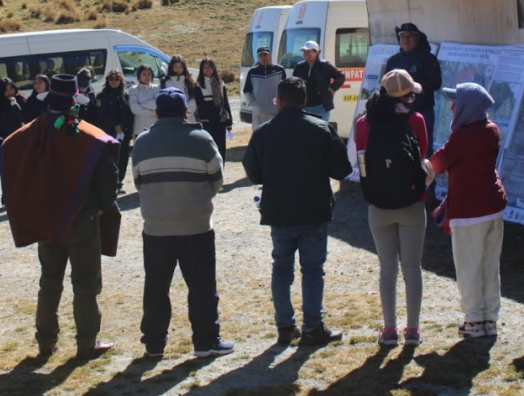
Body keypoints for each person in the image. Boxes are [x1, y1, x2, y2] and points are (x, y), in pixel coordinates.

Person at [2, 74, 120, 360]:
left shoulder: (29, 133)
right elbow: (109, 175)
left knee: (50, 281)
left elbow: (8, 151)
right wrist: (103, 205)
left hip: (46, 219)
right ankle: (87, 342)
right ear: (73, 102)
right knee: (85, 282)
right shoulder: (87, 134)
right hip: (82, 218)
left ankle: (46, 342)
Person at [243, 77, 348, 346]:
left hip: (279, 209)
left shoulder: (264, 132)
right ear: (304, 101)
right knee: (312, 270)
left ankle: (285, 326)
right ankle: (313, 326)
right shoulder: (321, 128)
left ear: (278, 100)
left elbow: (252, 171)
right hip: (313, 209)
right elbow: (342, 169)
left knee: (281, 269)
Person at [132, 88, 232, 358]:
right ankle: (205, 341)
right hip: (196, 227)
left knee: (156, 287)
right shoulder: (202, 139)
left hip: (156, 228)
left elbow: (138, 182)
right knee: (201, 287)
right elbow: (218, 180)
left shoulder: (141, 142)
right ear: (186, 112)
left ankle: (154, 344)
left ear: (156, 112)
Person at [353, 69, 429, 347]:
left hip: (378, 204)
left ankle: (388, 329)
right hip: (411, 202)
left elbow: (361, 159)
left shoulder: (364, 123)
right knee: (412, 268)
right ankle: (413, 330)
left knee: (387, 268)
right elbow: (422, 155)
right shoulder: (416, 120)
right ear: (407, 96)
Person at [428, 84, 507, 338]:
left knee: (468, 266)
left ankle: (473, 319)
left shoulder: (463, 137)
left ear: (466, 108)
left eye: (456, 103)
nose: (452, 108)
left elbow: (438, 163)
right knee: (489, 265)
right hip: (493, 207)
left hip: (469, 211)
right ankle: (489, 319)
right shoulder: (491, 130)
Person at [386, 23, 442, 147]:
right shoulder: (393, 61)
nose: (405, 39)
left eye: (409, 36)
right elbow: (385, 87)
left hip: (423, 112)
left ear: (417, 38)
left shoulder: (428, 59)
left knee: (424, 149)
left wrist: (418, 88)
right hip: (397, 114)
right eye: (402, 36)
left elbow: (436, 83)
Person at [291, 40, 346, 122]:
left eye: (308, 51)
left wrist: (333, 88)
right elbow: (294, 83)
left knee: (321, 133)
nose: (305, 54)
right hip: (303, 108)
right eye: (304, 51)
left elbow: (341, 76)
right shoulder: (299, 67)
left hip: (321, 108)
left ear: (316, 52)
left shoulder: (325, 65)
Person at [96, 69, 133, 187]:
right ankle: (110, 183)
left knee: (123, 159)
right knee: (110, 160)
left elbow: (129, 114)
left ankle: (119, 182)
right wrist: (114, 124)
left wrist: (126, 128)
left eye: (117, 79)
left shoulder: (124, 96)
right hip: (108, 133)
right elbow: (101, 114)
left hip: (123, 134)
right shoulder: (102, 96)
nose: (114, 81)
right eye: (111, 78)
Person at [193, 58, 233, 163]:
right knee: (209, 148)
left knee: (220, 149)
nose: (208, 70)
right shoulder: (198, 85)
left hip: (220, 121)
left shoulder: (220, 83)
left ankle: (220, 171)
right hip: (207, 122)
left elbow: (226, 103)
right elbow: (199, 105)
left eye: (210, 67)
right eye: (205, 68)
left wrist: (229, 123)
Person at [242, 47, 286, 130]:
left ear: (270, 56)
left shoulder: (279, 70)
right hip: (259, 114)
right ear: (258, 58)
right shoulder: (252, 72)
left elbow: (285, 90)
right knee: (260, 139)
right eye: (261, 56)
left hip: (276, 113)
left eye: (265, 55)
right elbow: (247, 90)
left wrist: (281, 103)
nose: (263, 58)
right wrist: (254, 103)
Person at [160, 54, 197, 121]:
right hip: (171, 117)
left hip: (188, 117)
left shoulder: (189, 81)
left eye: (180, 67)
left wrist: (186, 113)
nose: (178, 69)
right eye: (176, 67)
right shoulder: (165, 82)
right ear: (171, 67)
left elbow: (193, 99)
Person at [129, 65, 159, 137]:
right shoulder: (133, 89)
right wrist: (153, 112)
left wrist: (140, 105)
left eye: (149, 74)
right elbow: (134, 109)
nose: (147, 77)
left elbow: (156, 104)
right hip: (139, 128)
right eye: (144, 74)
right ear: (139, 76)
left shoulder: (157, 88)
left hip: (154, 126)